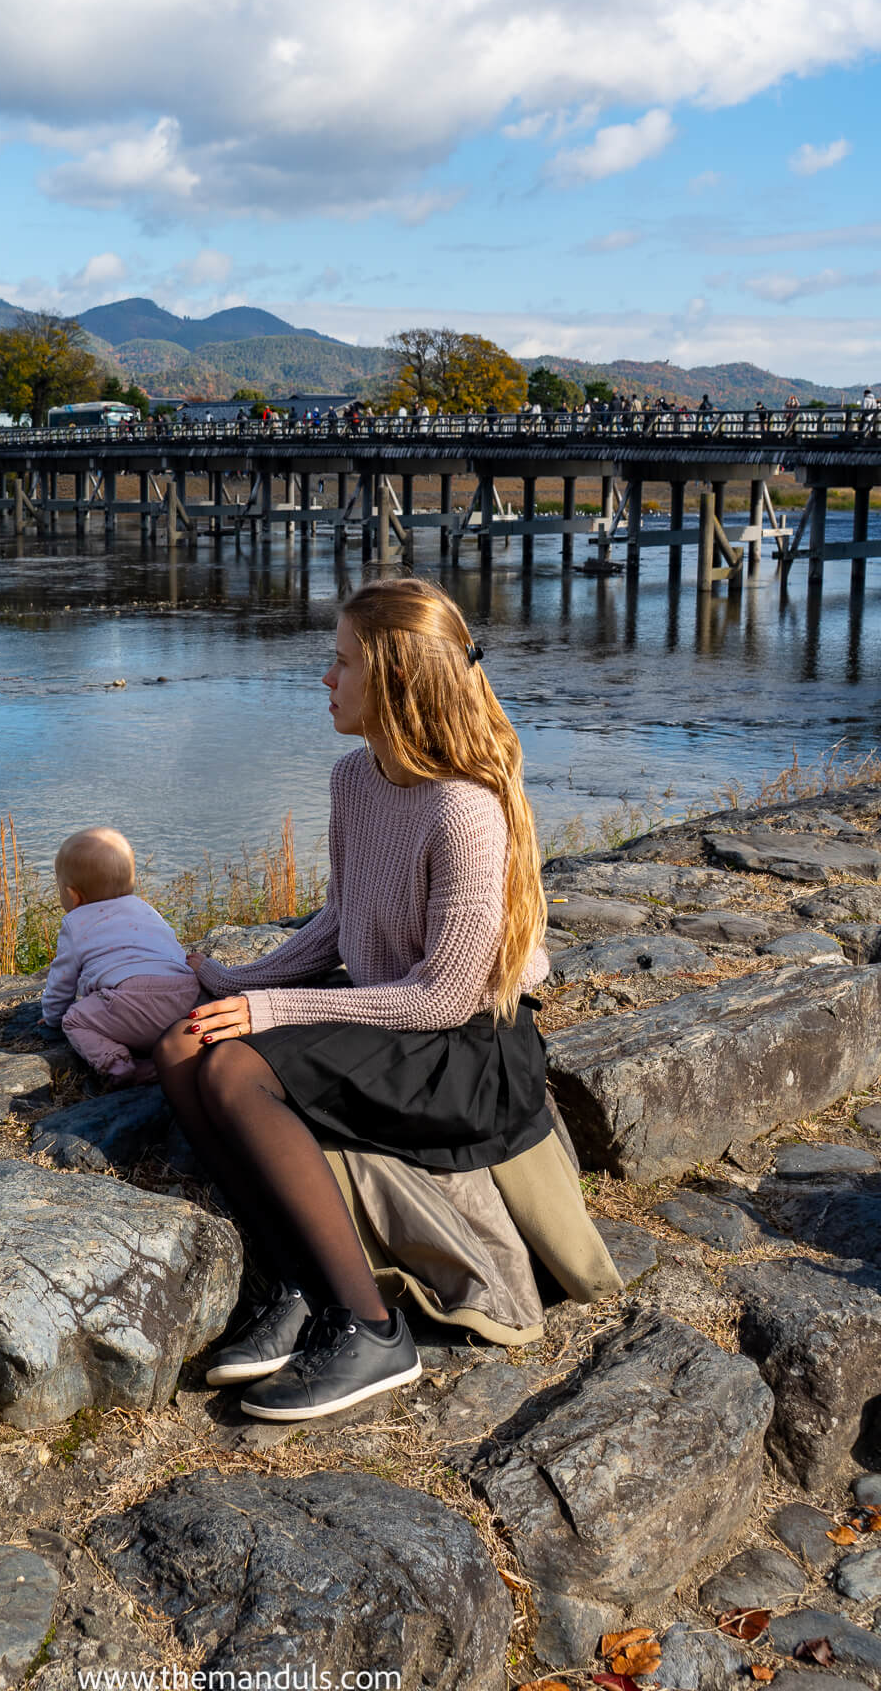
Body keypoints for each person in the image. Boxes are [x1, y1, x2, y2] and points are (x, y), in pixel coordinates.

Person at [155, 579, 620, 1423]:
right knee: (183, 1046)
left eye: (340, 663)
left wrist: (271, 1013)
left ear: (396, 681)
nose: (324, 679)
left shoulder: (465, 810)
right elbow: (341, 921)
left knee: (233, 1072)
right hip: (390, 1014)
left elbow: (443, 996)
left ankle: (373, 1332)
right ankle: (299, 1282)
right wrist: (234, 981)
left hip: (465, 1053)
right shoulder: (354, 779)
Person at [42, 827, 201, 1087]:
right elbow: (172, 947)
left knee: (74, 1019)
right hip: (185, 997)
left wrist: (52, 1017)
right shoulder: (146, 908)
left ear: (73, 895)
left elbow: (62, 982)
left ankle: (122, 1067)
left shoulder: (75, 922)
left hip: (130, 1002)